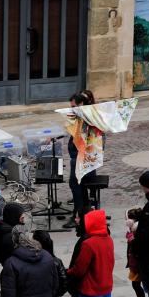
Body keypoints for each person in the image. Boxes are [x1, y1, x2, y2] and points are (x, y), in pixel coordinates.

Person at [65, 90, 95, 226]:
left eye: (73, 106)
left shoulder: (87, 117)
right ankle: (84, 210)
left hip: (82, 158)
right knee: (78, 185)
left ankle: (78, 214)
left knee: (75, 185)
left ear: (81, 104)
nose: (72, 109)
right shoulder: (81, 116)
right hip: (77, 157)